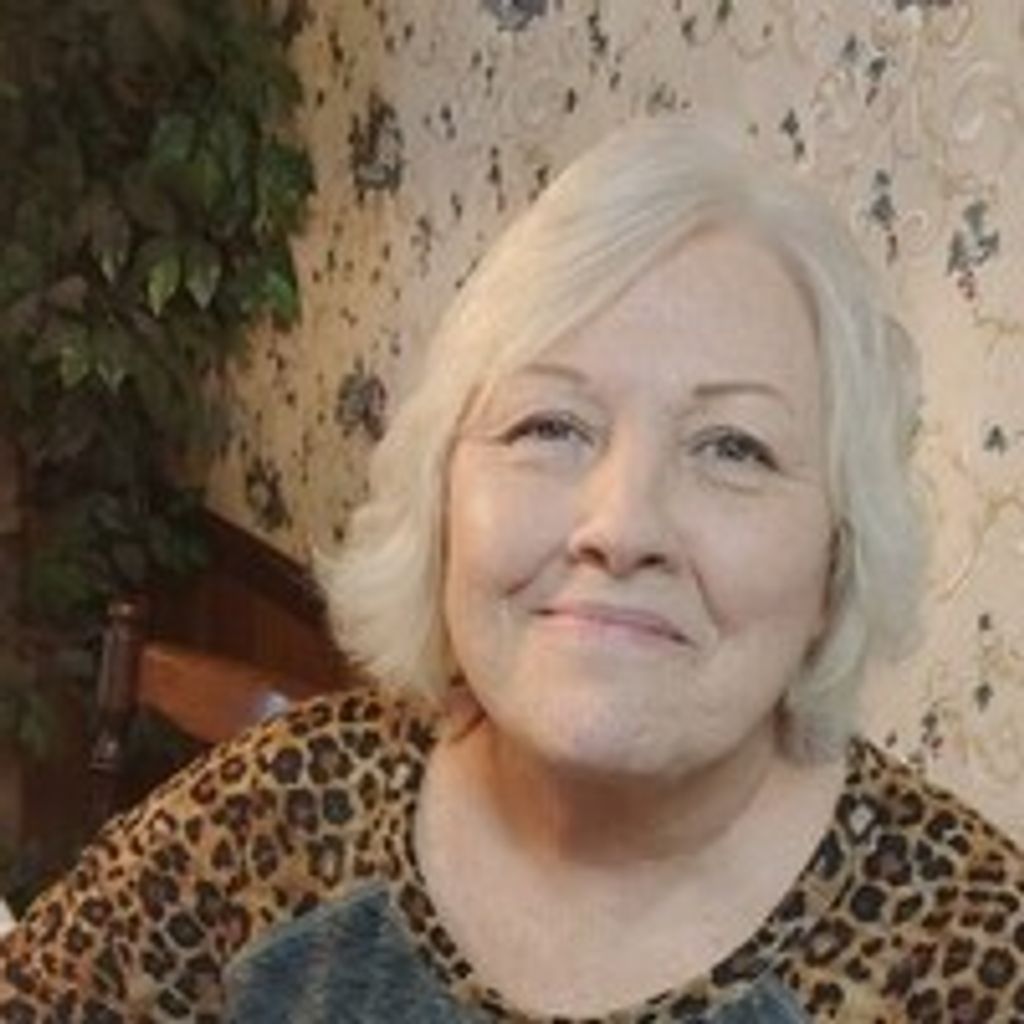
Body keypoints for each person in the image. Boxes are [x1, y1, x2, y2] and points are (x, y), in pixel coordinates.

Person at [1, 118, 1021, 1023]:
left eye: (733, 448)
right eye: (550, 425)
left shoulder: (965, 955)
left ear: (840, 550)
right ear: (444, 495)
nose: (621, 525)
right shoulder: (280, 804)